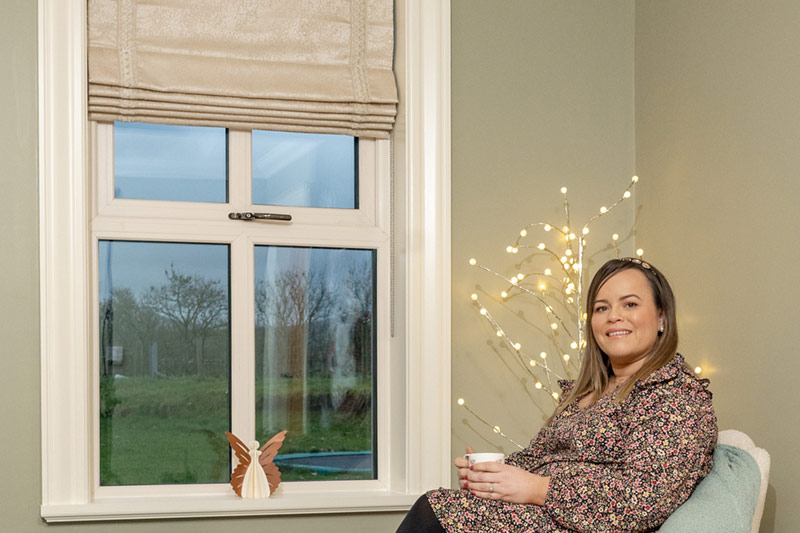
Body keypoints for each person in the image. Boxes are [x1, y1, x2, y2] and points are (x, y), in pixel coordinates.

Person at [397, 257, 717, 532]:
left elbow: (643, 500)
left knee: (435, 512)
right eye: (601, 308)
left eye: (630, 304)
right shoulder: (586, 393)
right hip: (543, 516)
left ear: (662, 318)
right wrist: (492, 476)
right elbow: (538, 457)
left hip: (587, 526)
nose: (613, 316)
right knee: (437, 506)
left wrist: (538, 489)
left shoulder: (675, 396)